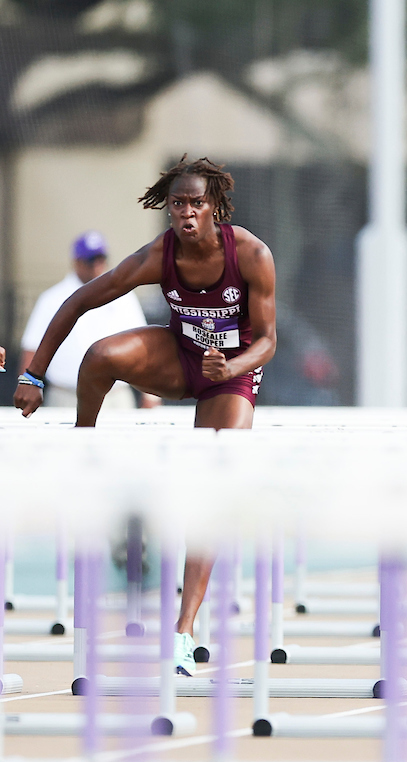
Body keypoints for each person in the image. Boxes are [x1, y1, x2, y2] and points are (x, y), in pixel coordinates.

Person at [14, 156, 278, 674]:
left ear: (215, 208)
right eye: (177, 204)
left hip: (233, 374)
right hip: (181, 359)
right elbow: (78, 302)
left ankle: (182, 632)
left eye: (196, 204)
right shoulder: (160, 254)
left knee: (209, 490)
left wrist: (232, 367)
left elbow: (269, 340)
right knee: (102, 356)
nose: (186, 214)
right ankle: (83, 455)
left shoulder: (251, 254)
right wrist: (33, 375)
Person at [21, 231, 160, 411]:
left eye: (101, 259)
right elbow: (31, 348)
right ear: (76, 262)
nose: (97, 265)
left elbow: (143, 345)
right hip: (66, 394)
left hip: (115, 395)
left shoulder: (124, 297)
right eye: (90, 260)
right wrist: (28, 385)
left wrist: (150, 395)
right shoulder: (52, 299)